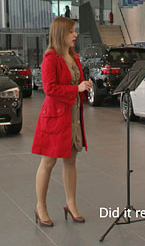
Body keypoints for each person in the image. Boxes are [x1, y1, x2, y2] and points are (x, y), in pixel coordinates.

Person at [32, 17, 92, 227]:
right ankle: (41, 207)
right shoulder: (51, 58)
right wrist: (76, 89)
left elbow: (75, 84)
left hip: (73, 117)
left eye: (75, 31)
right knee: (48, 162)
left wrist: (85, 85)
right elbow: (49, 89)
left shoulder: (73, 56)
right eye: (72, 31)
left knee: (71, 161)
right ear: (61, 34)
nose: (75, 35)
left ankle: (71, 204)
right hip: (55, 118)